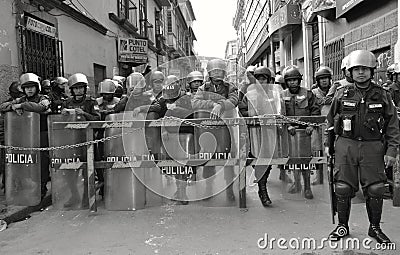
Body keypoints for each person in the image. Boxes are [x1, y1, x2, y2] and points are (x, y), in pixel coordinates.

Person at [325, 50, 400, 244]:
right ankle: (342, 226)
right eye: (356, 69)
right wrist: (328, 145)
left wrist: (391, 151)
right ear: (350, 71)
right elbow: (330, 121)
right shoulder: (342, 93)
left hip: (373, 146)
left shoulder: (382, 95)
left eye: (365, 69)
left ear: (372, 70)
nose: (360, 73)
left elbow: (392, 124)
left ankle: (374, 228)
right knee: (342, 187)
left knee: (375, 188)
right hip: (346, 146)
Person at [192, 58, 239, 201]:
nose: (218, 74)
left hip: (226, 128)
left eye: (220, 71)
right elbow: (195, 102)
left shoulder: (229, 86)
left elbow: (234, 99)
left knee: (227, 157)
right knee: (208, 157)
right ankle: (208, 186)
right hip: (208, 128)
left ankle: (229, 188)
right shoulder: (203, 88)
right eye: (215, 71)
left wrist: (222, 105)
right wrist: (213, 104)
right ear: (210, 73)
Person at [0, 73, 52, 198]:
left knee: (42, 163)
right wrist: (13, 107)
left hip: (41, 135)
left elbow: (41, 107)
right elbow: (2, 106)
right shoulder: (22, 99)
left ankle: (41, 188)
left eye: (32, 87)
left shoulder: (43, 97)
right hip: (25, 135)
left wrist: (22, 106)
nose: (29, 90)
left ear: (37, 87)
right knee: (25, 162)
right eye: (26, 87)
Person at [239, 66, 284, 206]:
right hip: (254, 132)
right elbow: (241, 109)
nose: (261, 82)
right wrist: (252, 115)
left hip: (270, 131)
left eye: (264, 80)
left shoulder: (275, 94)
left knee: (268, 161)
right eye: (258, 79)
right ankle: (262, 190)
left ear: (269, 80)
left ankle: (262, 187)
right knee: (258, 160)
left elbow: (281, 109)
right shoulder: (249, 93)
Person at [149, 75, 193, 204]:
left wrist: (176, 109)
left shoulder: (187, 98)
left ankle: (182, 192)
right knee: (172, 164)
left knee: (183, 163)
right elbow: (156, 111)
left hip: (185, 135)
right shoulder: (162, 100)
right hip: (168, 135)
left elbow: (193, 114)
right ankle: (179, 190)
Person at [282, 66, 321, 199]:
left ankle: (307, 187)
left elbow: (315, 110)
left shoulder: (308, 93)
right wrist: (287, 126)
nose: (293, 82)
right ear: (286, 82)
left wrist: (311, 125)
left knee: (305, 159)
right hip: (290, 132)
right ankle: (296, 183)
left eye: (295, 80)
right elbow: (280, 113)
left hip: (305, 132)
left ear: (299, 80)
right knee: (292, 159)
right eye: (290, 80)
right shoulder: (282, 95)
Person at [0, 81, 24, 191]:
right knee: (8, 163)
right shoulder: (7, 105)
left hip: (21, 136)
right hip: (8, 138)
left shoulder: (24, 102)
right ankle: (7, 185)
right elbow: (3, 108)